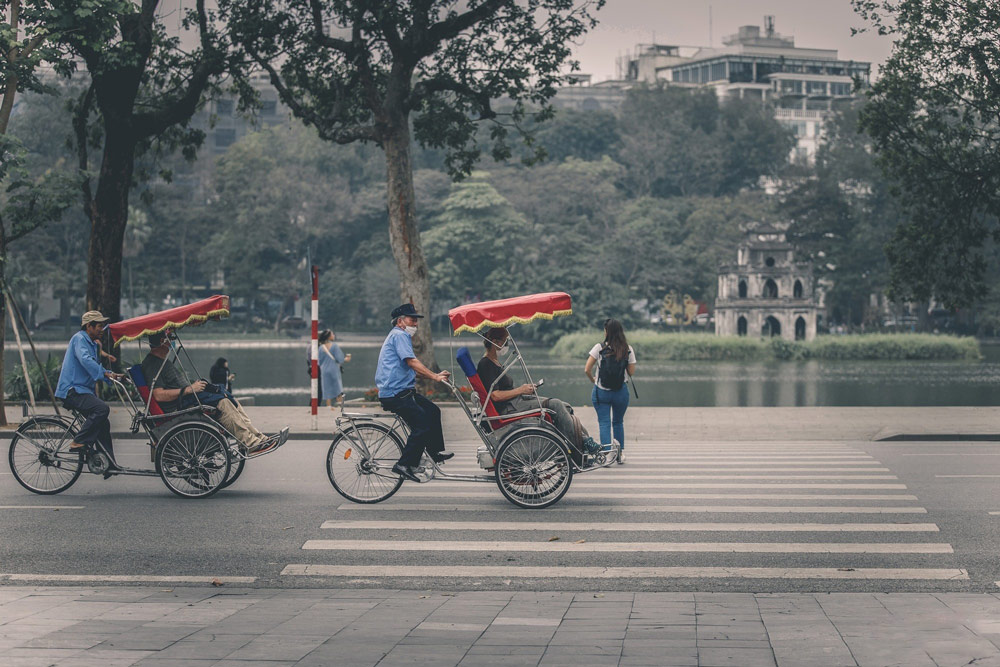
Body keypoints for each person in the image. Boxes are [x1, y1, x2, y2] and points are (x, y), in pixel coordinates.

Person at [142, 331, 286, 453]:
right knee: (223, 403)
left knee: (229, 398)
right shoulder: (153, 364)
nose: (172, 342)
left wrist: (195, 387)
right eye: (171, 338)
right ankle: (249, 443)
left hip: (189, 398)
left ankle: (258, 437)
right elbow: (158, 395)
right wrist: (189, 389)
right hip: (180, 406)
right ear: (162, 341)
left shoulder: (162, 361)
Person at [477, 326, 600, 457]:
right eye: (505, 341)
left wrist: (524, 390)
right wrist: (520, 390)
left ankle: (583, 441)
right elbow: (495, 396)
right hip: (508, 408)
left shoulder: (494, 362)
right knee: (555, 404)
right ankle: (580, 447)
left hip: (515, 402)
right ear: (496, 342)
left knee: (565, 407)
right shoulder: (486, 364)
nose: (507, 344)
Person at [375, 303, 453, 482]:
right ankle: (404, 464)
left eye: (416, 320)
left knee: (433, 411)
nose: (416, 324)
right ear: (400, 321)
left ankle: (434, 453)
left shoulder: (399, 336)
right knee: (422, 425)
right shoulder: (399, 335)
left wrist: (434, 375)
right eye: (412, 320)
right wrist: (434, 376)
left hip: (403, 391)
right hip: (395, 394)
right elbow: (412, 362)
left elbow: (412, 369)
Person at [54, 311, 122, 473]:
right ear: (88, 326)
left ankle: (109, 463)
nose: (102, 330)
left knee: (103, 423)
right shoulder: (79, 339)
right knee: (102, 409)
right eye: (99, 326)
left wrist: (111, 375)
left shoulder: (92, 344)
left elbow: (93, 366)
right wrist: (104, 373)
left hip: (83, 390)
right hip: (72, 390)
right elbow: (85, 360)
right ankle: (79, 441)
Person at [584, 318, 636, 464]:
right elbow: (631, 372)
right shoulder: (627, 349)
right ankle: (620, 454)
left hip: (601, 391)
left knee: (604, 422)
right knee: (618, 422)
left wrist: (593, 380)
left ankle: (607, 455)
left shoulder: (599, 348)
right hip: (621, 392)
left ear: (607, 331)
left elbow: (587, 369)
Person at [318, 329, 351, 409]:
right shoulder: (334, 346)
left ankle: (328, 406)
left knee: (326, 387)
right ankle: (340, 405)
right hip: (334, 369)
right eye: (332, 334)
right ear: (329, 336)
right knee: (338, 388)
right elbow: (340, 359)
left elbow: (319, 361)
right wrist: (347, 358)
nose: (334, 335)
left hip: (324, 370)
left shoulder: (321, 347)